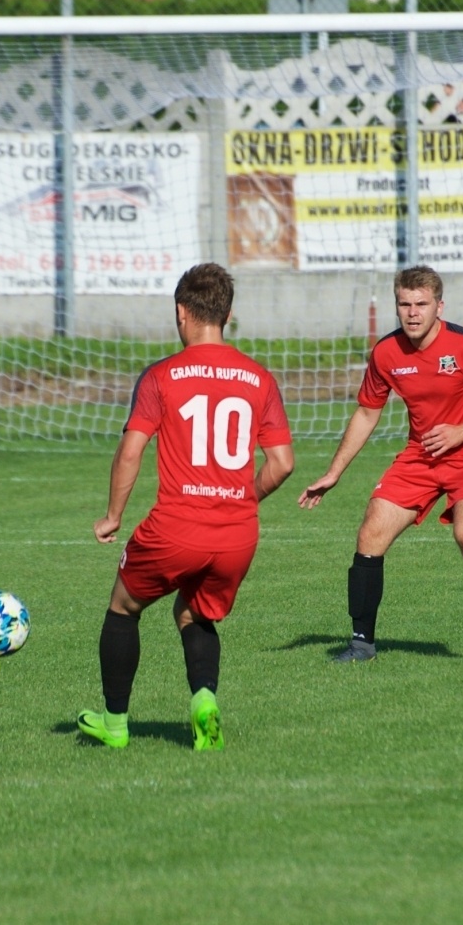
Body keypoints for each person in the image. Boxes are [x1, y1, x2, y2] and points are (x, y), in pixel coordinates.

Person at [77, 263, 295, 751]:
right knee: (194, 613)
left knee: (123, 607)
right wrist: (243, 499)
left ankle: (114, 725)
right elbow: (282, 463)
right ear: (228, 314)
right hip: (238, 535)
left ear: (180, 313)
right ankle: (204, 701)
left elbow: (131, 450)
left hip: (176, 528)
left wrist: (113, 515)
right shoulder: (259, 379)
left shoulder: (161, 377)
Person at [298, 265, 463, 664]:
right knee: (371, 534)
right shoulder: (386, 353)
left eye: (421, 304)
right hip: (420, 455)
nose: (412, 312)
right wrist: (334, 472)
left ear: (440, 306)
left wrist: (460, 432)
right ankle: (361, 645)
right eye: (404, 304)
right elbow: (367, 413)